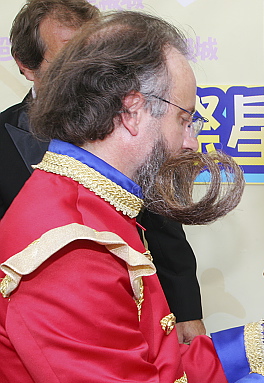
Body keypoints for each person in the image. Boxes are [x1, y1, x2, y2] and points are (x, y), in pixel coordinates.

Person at [0, 10, 264, 383]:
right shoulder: (71, 251)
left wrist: (263, 337)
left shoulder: (93, 208)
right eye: (184, 119)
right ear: (132, 111)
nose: (190, 142)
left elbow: (157, 375)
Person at [0, 0, 205, 344]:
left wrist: (186, 310)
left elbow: (162, 223)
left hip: (127, 312)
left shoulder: (134, 126)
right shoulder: (6, 137)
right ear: (26, 64)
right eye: (70, 56)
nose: (87, 69)